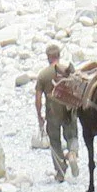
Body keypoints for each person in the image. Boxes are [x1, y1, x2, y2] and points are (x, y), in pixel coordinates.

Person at [33, 44, 79, 182]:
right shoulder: (69, 71)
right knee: (72, 136)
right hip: (68, 109)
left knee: (54, 141)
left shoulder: (43, 75)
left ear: (48, 57)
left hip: (52, 112)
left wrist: (39, 116)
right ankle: (72, 154)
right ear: (59, 56)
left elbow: (38, 99)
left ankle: (60, 172)